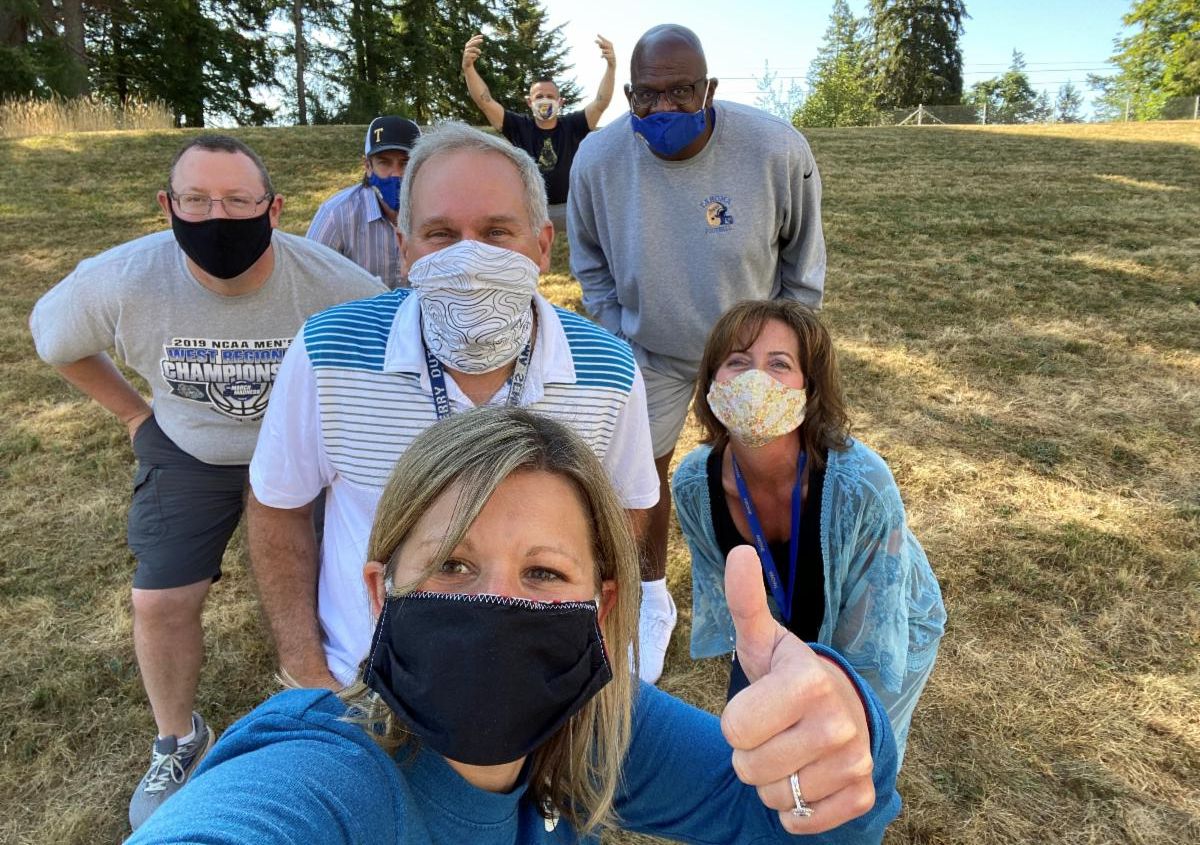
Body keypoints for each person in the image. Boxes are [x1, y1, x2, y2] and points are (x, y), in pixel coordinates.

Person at [126, 407, 901, 844]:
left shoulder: (598, 725)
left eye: (543, 573)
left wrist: (846, 733)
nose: (496, 603)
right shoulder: (326, 771)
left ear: (599, 607)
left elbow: (794, 822)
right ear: (380, 593)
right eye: (453, 564)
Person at [27, 134, 386, 830]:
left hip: (299, 456)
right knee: (160, 598)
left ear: (274, 209)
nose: (217, 216)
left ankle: (340, 711)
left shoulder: (331, 281)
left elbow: (384, 348)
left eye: (238, 200)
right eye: (197, 200)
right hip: (188, 447)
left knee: (343, 587)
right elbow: (53, 338)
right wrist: (133, 415)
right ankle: (177, 739)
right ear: (167, 207)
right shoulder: (125, 276)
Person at [247, 122, 661, 692]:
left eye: (496, 232)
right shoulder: (328, 352)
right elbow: (278, 507)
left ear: (543, 245)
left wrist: (590, 662)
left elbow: (625, 515)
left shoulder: (607, 370)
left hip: (539, 687)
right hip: (365, 682)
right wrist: (310, 673)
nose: (469, 257)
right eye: (440, 234)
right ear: (405, 250)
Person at [568, 23, 828, 675]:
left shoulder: (775, 147)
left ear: (709, 88)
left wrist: (779, 346)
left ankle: (773, 591)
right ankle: (651, 596)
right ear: (629, 95)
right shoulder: (597, 159)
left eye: (681, 92)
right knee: (637, 478)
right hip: (649, 349)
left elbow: (802, 256)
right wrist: (616, 327)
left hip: (745, 349)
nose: (664, 109)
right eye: (647, 96)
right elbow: (588, 258)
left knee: (765, 466)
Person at [672, 300, 946, 762]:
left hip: (886, 622)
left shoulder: (862, 486)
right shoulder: (693, 485)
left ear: (809, 388)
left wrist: (834, 714)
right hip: (782, 624)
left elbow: (870, 642)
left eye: (779, 364)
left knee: (852, 758)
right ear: (711, 381)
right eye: (737, 361)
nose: (754, 379)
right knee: (757, 753)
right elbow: (732, 598)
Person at [462, 32, 616, 229]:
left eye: (550, 96)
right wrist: (468, 68)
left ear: (560, 102)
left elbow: (601, 102)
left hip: (570, 208)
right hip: (532, 210)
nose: (545, 100)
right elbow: (485, 102)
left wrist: (611, 67)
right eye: (539, 96)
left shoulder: (573, 125)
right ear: (529, 102)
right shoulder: (518, 126)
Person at [307, 115, 422, 288]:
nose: (396, 174)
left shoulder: (441, 211)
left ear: (420, 165)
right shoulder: (335, 215)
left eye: (405, 163)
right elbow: (309, 279)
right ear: (368, 166)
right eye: (384, 163)